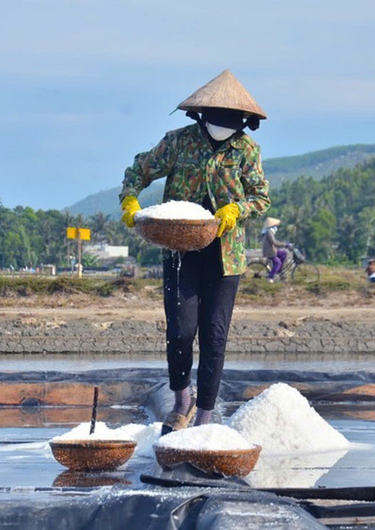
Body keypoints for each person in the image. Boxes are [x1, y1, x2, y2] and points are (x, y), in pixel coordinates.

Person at [119, 70, 270, 435]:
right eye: (219, 121)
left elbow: (260, 197)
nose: (225, 128)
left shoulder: (246, 150)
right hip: (181, 249)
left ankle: (204, 415)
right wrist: (129, 199)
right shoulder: (179, 143)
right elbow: (138, 170)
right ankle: (181, 398)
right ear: (202, 116)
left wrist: (237, 210)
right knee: (182, 330)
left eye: (233, 123)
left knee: (214, 334)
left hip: (225, 253)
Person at [261, 217, 291, 283]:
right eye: (275, 226)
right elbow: (274, 242)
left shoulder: (269, 232)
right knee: (278, 263)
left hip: (273, 250)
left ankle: (279, 271)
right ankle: (270, 277)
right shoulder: (269, 233)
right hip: (269, 252)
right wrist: (284, 244)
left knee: (284, 254)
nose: (276, 228)